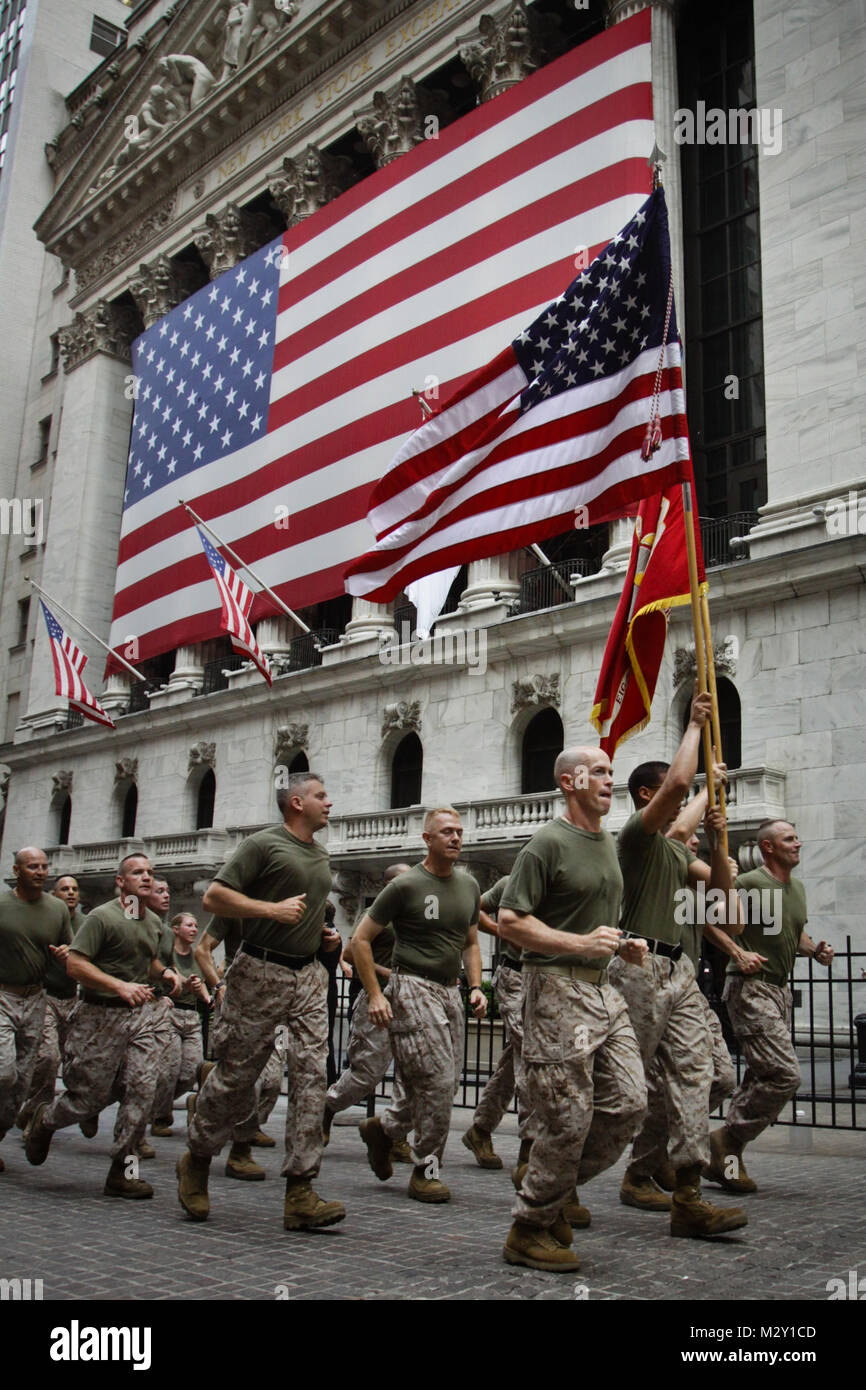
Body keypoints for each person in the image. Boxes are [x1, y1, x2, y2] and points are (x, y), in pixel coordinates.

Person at [496, 748, 648, 1273]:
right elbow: (511, 922)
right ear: (569, 780)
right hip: (556, 992)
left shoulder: (606, 841)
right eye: (599, 771)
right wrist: (581, 945)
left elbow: (593, 924)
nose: (610, 779)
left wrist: (620, 944)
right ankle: (529, 1227)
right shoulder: (546, 843)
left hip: (603, 991)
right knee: (567, 1119)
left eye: (611, 771)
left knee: (630, 1102)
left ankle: (549, 1184)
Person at [177, 772, 344, 1230]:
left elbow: (306, 913)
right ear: (296, 803)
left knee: (312, 1077)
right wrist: (268, 910)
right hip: (258, 971)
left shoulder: (321, 853)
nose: (329, 803)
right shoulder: (263, 845)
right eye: (320, 796)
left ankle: (301, 1191)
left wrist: (325, 939)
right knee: (237, 1076)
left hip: (308, 974)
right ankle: (196, 1157)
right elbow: (213, 897)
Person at [610, 691, 748, 1240]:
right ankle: (564, 1177)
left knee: (704, 1074)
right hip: (638, 970)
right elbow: (675, 794)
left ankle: (686, 1192)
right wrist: (694, 727)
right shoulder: (638, 842)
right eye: (676, 791)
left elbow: (724, 907)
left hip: (682, 974)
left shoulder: (675, 853)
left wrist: (717, 842)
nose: (684, 796)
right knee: (627, 1090)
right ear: (649, 797)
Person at [25, 854, 182, 1199]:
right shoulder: (102, 917)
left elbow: (147, 958)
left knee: (142, 1090)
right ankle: (45, 1121)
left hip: (142, 1016)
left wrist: (165, 973)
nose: (146, 878)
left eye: (150, 872)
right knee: (88, 1099)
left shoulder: (153, 922)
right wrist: (119, 986)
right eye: (137, 872)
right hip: (100, 1015)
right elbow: (77, 966)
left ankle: (123, 1172)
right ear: (120, 881)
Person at [352, 809, 487, 1204]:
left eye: (460, 832)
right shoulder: (406, 885)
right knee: (439, 1084)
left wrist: (477, 986)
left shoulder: (469, 885)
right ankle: (426, 1170)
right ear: (427, 839)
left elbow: (472, 943)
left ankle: (385, 1129)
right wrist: (377, 994)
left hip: (450, 992)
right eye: (447, 832)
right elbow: (359, 941)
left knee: (436, 1083)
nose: (456, 838)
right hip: (411, 987)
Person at [705, 820, 833, 1194]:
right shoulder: (748, 883)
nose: (799, 843)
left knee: (761, 1076)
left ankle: (727, 1159)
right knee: (783, 1074)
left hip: (780, 991)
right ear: (768, 848)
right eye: (789, 839)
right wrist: (737, 951)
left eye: (797, 836)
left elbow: (794, 934)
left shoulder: (797, 889)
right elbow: (706, 919)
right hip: (750, 989)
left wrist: (816, 951)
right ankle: (727, 1138)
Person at [641, 788, 738, 1192]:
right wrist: (709, 787)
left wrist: (717, 849)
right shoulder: (645, 851)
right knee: (634, 1090)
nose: (693, 835)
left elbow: (731, 921)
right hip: (646, 976)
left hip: (687, 985)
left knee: (718, 1077)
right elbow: (679, 832)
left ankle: (659, 1162)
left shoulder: (687, 870)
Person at [322, 864, 412, 1163]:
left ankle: (396, 1135)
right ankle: (327, 1107)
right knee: (367, 1074)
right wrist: (387, 973)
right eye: (402, 880)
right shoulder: (377, 914)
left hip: (410, 1001)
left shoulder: (414, 916)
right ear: (388, 885)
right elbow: (349, 954)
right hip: (377, 997)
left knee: (411, 1071)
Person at [0, 848, 71, 1172]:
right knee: (4, 1071)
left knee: (22, 1083)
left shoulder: (57, 909)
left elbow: (70, 950)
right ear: (17, 870)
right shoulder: (2, 905)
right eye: (32, 867)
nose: (40, 872)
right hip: (2, 995)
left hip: (36, 998)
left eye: (44, 867)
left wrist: (65, 954)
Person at [194, 915, 286, 1162]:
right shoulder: (235, 906)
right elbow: (202, 950)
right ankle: (238, 1149)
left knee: (274, 1081)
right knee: (245, 1079)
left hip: (275, 1002)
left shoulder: (287, 907)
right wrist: (219, 985)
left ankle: (247, 1125)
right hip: (241, 999)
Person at [461, 875, 534, 1183]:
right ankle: (530, 1153)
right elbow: (471, 907)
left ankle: (480, 1129)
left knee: (512, 1062)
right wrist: (498, 930)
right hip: (515, 977)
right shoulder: (513, 881)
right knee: (531, 1058)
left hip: (547, 981)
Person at [16, 876, 83, 1131]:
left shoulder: (86, 924)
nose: (70, 893)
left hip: (74, 999)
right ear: (54, 895)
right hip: (45, 997)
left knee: (75, 1062)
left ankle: (39, 1109)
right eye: (64, 889)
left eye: (75, 889)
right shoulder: (42, 920)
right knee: (48, 1057)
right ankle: (35, 1115)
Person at [151, 914, 211, 1137]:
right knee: (168, 1069)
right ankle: (160, 1116)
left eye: (196, 925)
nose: (194, 929)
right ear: (175, 929)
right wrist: (161, 995)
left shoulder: (197, 956)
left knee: (191, 1071)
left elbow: (202, 985)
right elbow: (155, 977)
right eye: (189, 925)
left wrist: (207, 998)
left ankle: (154, 1103)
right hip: (170, 1013)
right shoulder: (167, 955)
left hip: (192, 1017)